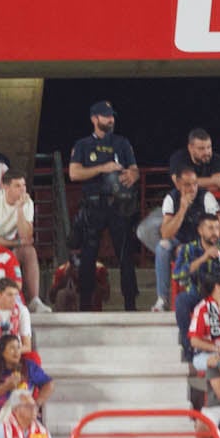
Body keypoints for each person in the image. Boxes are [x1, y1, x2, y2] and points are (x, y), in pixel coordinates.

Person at [68, 103, 139, 312]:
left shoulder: (122, 142)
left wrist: (132, 175)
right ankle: (85, 306)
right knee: (88, 255)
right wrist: (102, 168)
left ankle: (130, 305)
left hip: (119, 205)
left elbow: (134, 168)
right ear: (94, 118)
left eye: (112, 117)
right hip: (93, 204)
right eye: (106, 117)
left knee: (125, 255)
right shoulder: (83, 144)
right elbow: (74, 173)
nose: (111, 120)